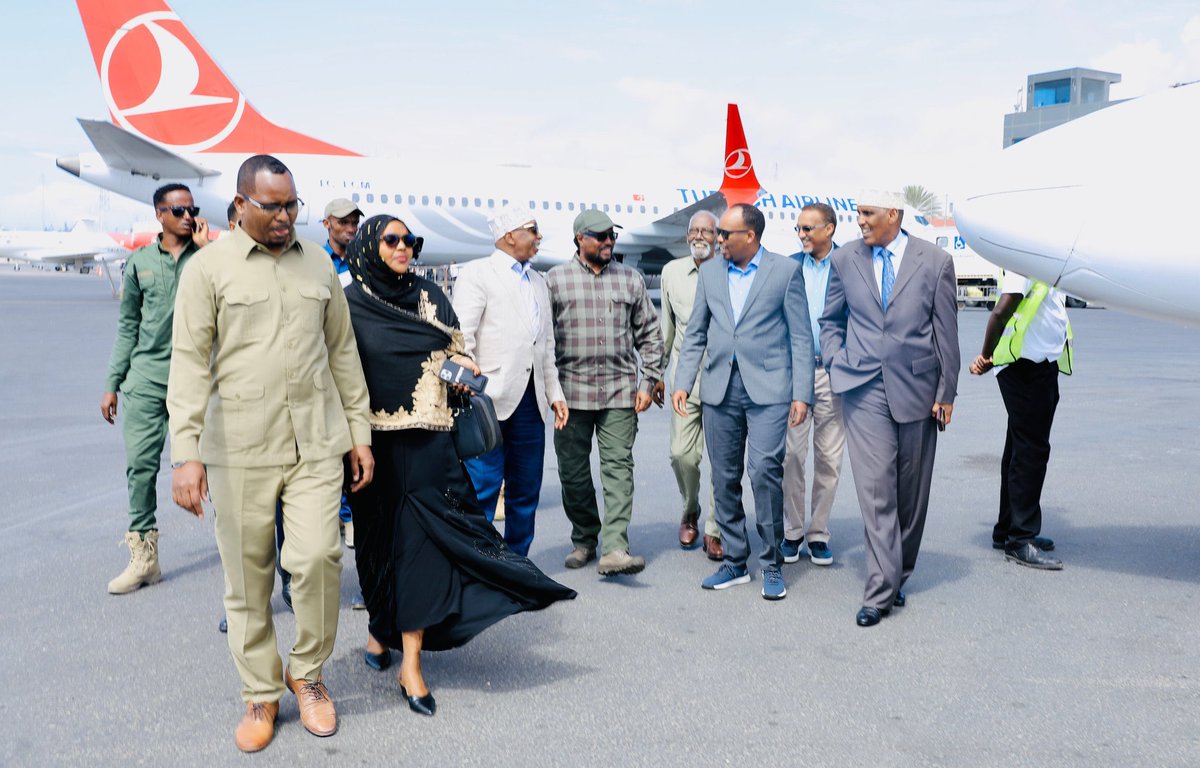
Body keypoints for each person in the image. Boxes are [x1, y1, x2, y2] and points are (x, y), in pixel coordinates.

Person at [168, 155, 374, 752]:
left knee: (317, 561)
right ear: (240, 205)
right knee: (248, 579)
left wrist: (358, 434)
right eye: (273, 206)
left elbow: (343, 354)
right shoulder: (208, 270)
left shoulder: (318, 266)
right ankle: (261, 693)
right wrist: (187, 454)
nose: (286, 217)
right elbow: (188, 364)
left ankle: (306, 675)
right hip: (237, 448)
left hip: (315, 442)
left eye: (292, 205)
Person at [343, 214, 576, 717]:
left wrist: (465, 370)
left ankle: (411, 662)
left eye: (411, 241)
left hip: (429, 443)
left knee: (420, 548)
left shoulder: (431, 298)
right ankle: (380, 630)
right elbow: (340, 373)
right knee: (377, 547)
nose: (404, 247)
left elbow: (456, 350)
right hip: (370, 449)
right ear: (369, 245)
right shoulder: (348, 305)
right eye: (392, 240)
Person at [820, 189, 960, 627]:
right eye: (858, 213)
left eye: (867, 213)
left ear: (894, 213)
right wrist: (836, 360)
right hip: (862, 387)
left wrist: (947, 392)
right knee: (876, 489)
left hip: (918, 387)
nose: (859, 221)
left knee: (911, 494)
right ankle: (879, 591)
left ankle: (898, 573)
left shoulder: (934, 262)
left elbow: (946, 333)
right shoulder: (845, 260)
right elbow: (830, 321)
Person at [673, 203, 813, 600]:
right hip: (719, 388)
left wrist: (802, 392)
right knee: (724, 476)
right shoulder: (712, 272)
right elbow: (696, 331)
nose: (717, 241)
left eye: (724, 235)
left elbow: (801, 336)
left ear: (749, 236)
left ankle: (771, 562)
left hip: (769, 389)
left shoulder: (785, 272)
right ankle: (735, 560)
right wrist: (684, 381)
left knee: (765, 471)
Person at [100, 183, 208, 594]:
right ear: (159, 215)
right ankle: (144, 559)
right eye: (178, 210)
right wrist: (112, 382)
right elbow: (128, 326)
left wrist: (205, 250)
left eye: (191, 209)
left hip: (198, 379)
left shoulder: (208, 259)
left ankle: (242, 557)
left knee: (217, 466)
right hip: (146, 379)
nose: (187, 216)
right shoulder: (140, 262)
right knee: (140, 469)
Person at [547, 209, 665, 576]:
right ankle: (585, 538)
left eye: (611, 235)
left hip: (619, 392)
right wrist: (550, 392)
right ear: (579, 239)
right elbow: (542, 342)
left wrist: (648, 382)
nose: (608, 241)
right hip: (571, 394)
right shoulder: (554, 281)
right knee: (573, 473)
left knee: (618, 468)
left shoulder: (630, 280)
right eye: (599, 236)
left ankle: (615, 547)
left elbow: (650, 335)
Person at [451, 206, 569, 556]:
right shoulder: (478, 274)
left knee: (526, 489)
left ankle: (518, 562)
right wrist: (470, 387)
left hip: (532, 404)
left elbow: (544, 345)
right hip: (489, 402)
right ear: (509, 236)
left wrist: (555, 394)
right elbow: (461, 338)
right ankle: (480, 566)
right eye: (532, 230)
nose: (539, 237)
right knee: (483, 488)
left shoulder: (538, 281)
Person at [970, 272, 1073, 570]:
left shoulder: (1045, 260)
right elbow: (1003, 308)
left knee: (1018, 448)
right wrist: (985, 355)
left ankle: (1007, 529)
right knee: (1031, 452)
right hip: (1025, 366)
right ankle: (1020, 539)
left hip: (1038, 363)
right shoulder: (1026, 260)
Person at [653, 210, 724, 560]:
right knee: (682, 455)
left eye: (707, 231)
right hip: (685, 381)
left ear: (717, 236)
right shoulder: (671, 273)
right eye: (694, 230)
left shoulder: (729, 271)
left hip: (725, 382)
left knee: (722, 461)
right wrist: (656, 374)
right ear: (686, 237)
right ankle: (690, 507)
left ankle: (714, 528)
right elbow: (666, 329)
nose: (700, 236)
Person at [781, 203, 846, 567]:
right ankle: (792, 532)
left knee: (829, 459)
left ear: (830, 229)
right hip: (795, 375)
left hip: (835, 376)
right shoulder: (790, 268)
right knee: (791, 454)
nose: (802, 235)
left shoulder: (849, 267)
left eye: (809, 228)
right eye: (799, 229)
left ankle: (818, 532)